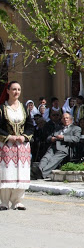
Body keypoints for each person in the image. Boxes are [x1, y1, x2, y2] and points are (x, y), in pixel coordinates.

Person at [0, 81, 34, 210]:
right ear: (8, 91)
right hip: (6, 145)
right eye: (14, 89)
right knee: (7, 172)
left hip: (22, 146)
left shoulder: (23, 108)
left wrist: (24, 136)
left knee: (21, 173)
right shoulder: (2, 108)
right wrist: (9, 137)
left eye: (19, 89)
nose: (16, 92)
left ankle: (17, 201)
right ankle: (4, 201)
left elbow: (30, 126)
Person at [31, 112, 81, 179]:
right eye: (64, 118)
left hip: (64, 148)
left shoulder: (76, 128)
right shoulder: (58, 128)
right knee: (45, 158)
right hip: (53, 146)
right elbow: (48, 137)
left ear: (71, 120)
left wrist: (63, 137)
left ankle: (42, 174)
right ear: (61, 120)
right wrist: (51, 139)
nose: (65, 119)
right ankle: (37, 171)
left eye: (67, 118)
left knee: (53, 160)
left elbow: (76, 139)